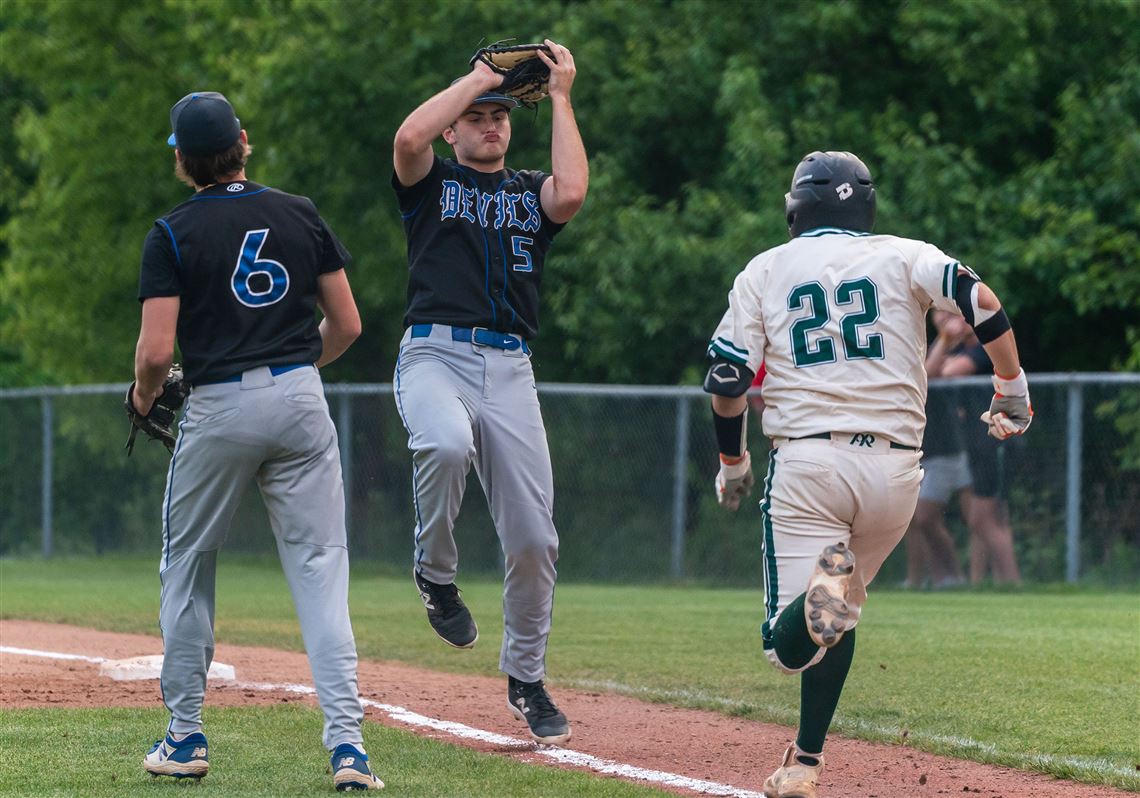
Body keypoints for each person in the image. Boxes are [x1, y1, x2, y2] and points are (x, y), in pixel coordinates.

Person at [703, 151, 1032, 798]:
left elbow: (727, 378)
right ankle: (804, 762)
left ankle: (833, 580)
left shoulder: (767, 268)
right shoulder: (904, 254)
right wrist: (1012, 385)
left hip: (809, 465)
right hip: (895, 473)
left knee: (786, 646)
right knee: (839, 616)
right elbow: (981, 298)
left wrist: (733, 461)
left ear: (797, 208)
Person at [133, 91, 381, 790]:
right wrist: (297, 373)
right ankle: (349, 749)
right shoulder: (299, 212)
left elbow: (155, 354)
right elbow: (349, 324)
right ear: (244, 142)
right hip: (301, 396)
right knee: (320, 572)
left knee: (188, 567)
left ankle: (184, 738)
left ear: (183, 159)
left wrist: (144, 396)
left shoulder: (172, 232)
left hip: (217, 404)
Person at [389, 40, 587, 746]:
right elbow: (407, 136)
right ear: (454, 126)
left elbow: (573, 192)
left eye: (500, 114)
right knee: (443, 443)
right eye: (477, 115)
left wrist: (559, 95)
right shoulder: (430, 181)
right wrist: (477, 77)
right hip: (434, 354)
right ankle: (435, 574)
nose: (491, 124)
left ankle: (527, 680)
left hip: (510, 368)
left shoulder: (528, 192)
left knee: (535, 538)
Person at [938, 323, 1023, 585]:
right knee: (991, 517)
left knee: (983, 517)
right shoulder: (968, 350)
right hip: (981, 445)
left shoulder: (984, 351)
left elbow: (947, 371)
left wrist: (951, 339)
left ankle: (1012, 582)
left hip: (995, 444)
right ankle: (1004, 582)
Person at [902, 310, 972, 589]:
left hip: (945, 450)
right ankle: (937, 577)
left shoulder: (950, 347)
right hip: (926, 450)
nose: (942, 318)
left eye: (948, 313)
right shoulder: (931, 346)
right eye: (938, 312)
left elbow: (929, 374)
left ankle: (954, 576)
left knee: (925, 518)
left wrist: (946, 336)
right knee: (920, 521)